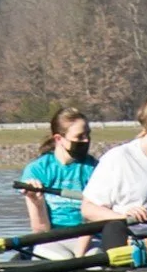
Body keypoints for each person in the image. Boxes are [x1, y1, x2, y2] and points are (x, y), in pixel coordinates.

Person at [80, 91, 147, 252]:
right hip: (130, 234)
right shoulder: (119, 158)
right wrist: (123, 217)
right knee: (113, 228)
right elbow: (88, 209)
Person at [17, 108, 97, 257]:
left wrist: (80, 254)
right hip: (52, 239)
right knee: (61, 259)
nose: (86, 140)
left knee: (95, 263)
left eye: (88, 134)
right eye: (80, 136)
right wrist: (35, 200)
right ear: (59, 139)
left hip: (89, 237)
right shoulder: (37, 170)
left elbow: (93, 219)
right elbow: (41, 230)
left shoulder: (95, 168)